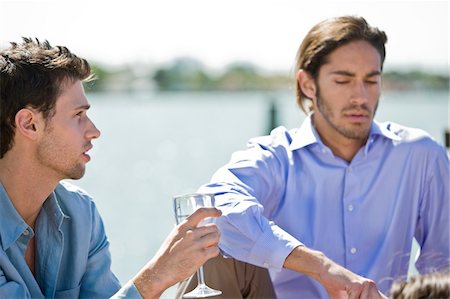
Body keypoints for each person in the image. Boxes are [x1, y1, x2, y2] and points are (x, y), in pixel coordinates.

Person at [178, 15, 450, 298]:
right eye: (343, 80)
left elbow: (444, 265)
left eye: (371, 80)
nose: (360, 96)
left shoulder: (420, 156)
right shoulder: (277, 157)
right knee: (218, 251)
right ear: (308, 84)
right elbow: (216, 209)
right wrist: (320, 267)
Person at [0, 38, 221, 299]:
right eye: (78, 116)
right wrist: (157, 276)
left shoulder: (81, 214)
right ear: (29, 124)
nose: (94, 131)